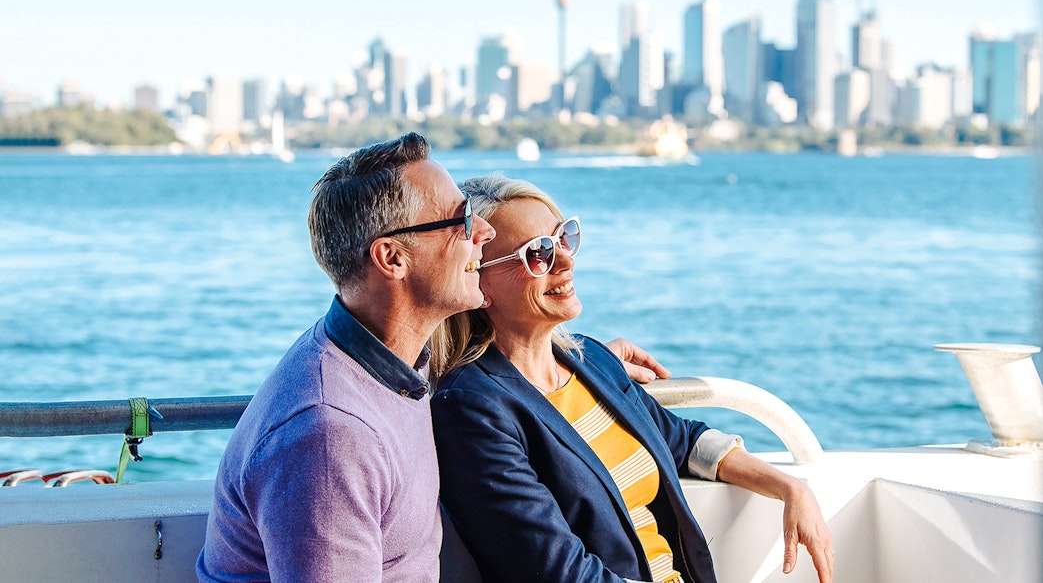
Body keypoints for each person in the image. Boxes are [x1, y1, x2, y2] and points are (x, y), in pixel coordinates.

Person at [197, 133, 666, 582]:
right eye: (461, 220)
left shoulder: (395, 368)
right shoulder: (330, 435)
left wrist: (590, 366)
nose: (483, 233)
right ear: (393, 259)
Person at [430, 175, 835, 583]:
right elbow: (556, 570)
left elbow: (681, 439)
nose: (567, 261)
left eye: (564, 238)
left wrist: (789, 487)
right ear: (479, 281)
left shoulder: (591, 361)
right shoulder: (472, 408)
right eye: (539, 253)